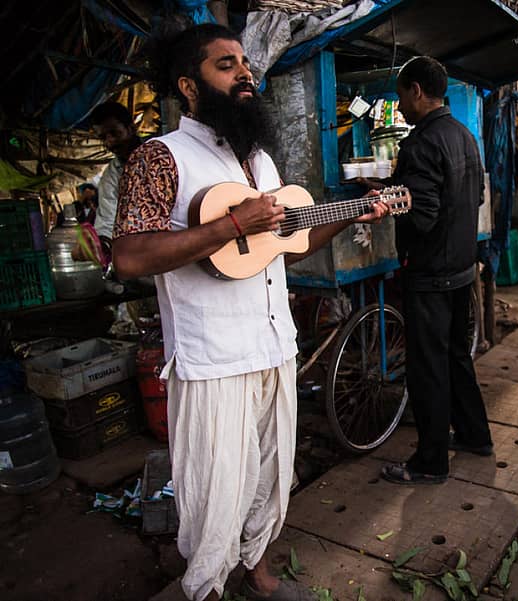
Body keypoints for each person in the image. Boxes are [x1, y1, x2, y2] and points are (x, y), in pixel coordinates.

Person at [112, 24, 387, 601]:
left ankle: (257, 573)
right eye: (226, 65)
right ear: (189, 86)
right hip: (212, 357)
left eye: (245, 63)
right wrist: (232, 224)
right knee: (216, 488)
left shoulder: (260, 161)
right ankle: (207, 587)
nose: (245, 74)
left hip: (273, 345)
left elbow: (286, 246)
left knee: (270, 473)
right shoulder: (160, 157)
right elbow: (131, 256)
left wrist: (350, 214)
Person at [379, 56, 493, 485]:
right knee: (456, 357)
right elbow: (474, 197)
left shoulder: (421, 144)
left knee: (428, 367)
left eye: (401, 97)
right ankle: (475, 435)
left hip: (430, 273)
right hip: (461, 268)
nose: (401, 107)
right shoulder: (463, 135)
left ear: (416, 91)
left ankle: (430, 462)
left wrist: (389, 206)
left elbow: (423, 216)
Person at [91, 101, 142, 250]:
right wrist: (102, 244)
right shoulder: (111, 176)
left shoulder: (162, 156)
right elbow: (107, 220)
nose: (110, 142)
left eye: (115, 133)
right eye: (103, 138)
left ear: (131, 129)